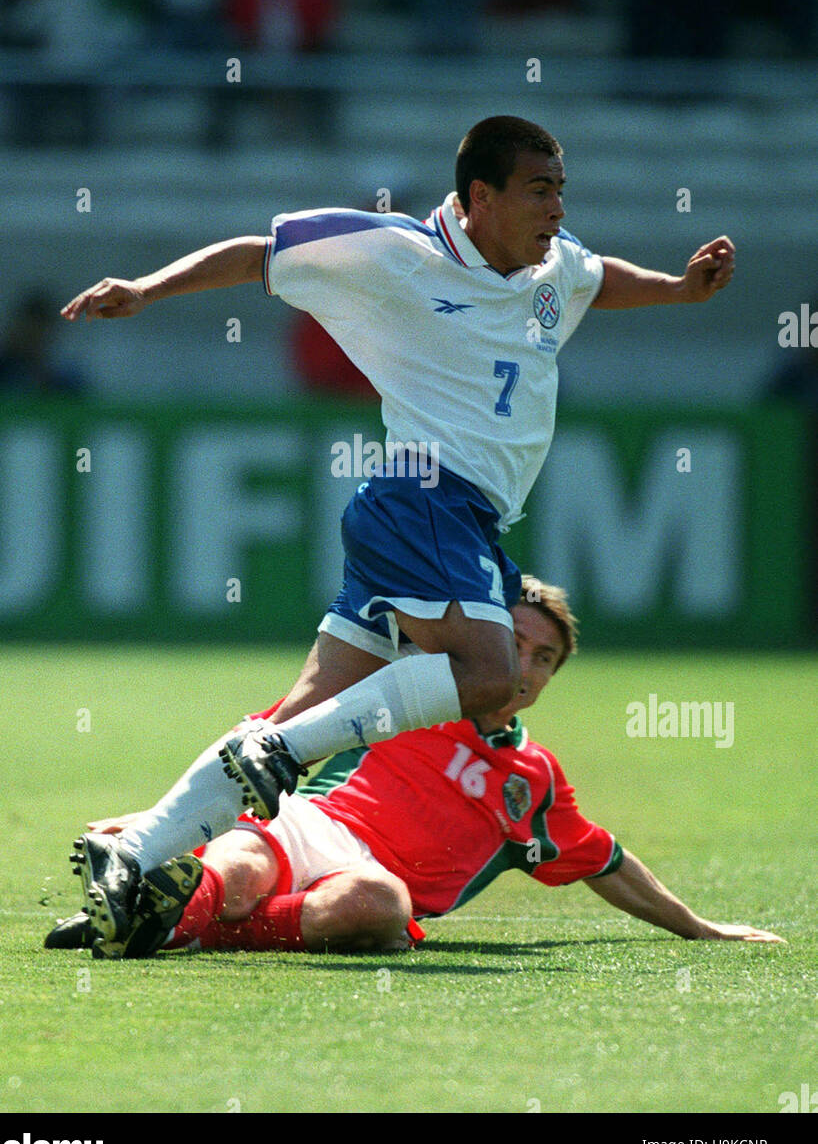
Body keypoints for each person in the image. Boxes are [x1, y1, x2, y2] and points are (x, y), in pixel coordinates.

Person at [60, 114, 736, 956]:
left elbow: (599, 279)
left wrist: (679, 287)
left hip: (457, 517)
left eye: (561, 189)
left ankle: (136, 860)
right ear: (478, 197)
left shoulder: (551, 262)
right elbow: (253, 254)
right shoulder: (397, 254)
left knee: (304, 705)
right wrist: (147, 289)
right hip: (428, 497)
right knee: (487, 678)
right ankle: (279, 752)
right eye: (539, 190)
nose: (558, 208)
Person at [47, 578, 782, 957]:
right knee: (238, 865)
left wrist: (701, 930)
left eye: (544, 657)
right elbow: (267, 740)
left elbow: (606, 860)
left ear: (554, 675)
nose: (522, 665)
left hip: (376, 881)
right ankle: (163, 906)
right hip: (310, 826)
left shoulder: (535, 780)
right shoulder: (411, 692)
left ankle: (168, 919)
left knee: (376, 905)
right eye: (515, 643)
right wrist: (159, 825)